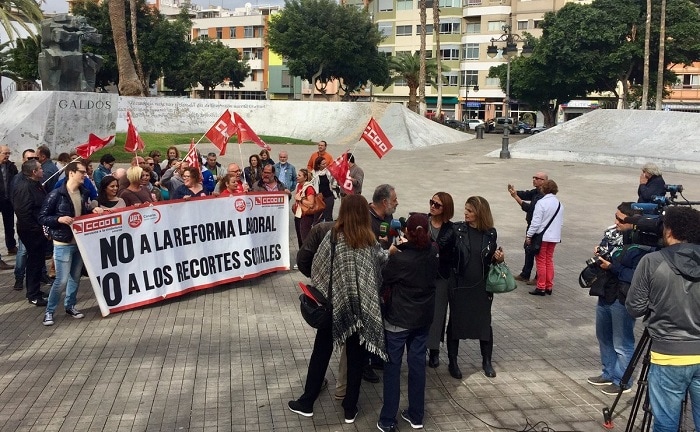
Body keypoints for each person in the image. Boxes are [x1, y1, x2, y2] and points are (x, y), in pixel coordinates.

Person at [287, 194, 389, 424]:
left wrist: (331, 287)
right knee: (355, 357)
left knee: (320, 353)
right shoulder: (370, 241)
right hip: (360, 310)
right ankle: (350, 408)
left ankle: (307, 402)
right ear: (364, 214)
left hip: (334, 307)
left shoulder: (334, 237)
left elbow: (318, 269)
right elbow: (377, 272)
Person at [626, 206, 700, 432]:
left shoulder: (652, 261)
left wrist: (658, 302)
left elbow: (634, 308)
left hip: (668, 355)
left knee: (665, 424)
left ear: (668, 231)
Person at [377, 213, 438, 432]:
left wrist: (395, 251)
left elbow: (385, 275)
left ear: (407, 233)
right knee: (417, 366)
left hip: (398, 319)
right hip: (422, 319)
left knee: (392, 368)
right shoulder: (433, 252)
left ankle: (387, 419)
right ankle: (416, 415)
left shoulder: (400, 258)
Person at [587, 202, 655, 396]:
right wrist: (600, 253)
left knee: (622, 341)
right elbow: (606, 251)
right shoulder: (613, 235)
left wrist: (612, 267)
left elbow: (637, 276)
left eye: (620, 219)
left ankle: (622, 381)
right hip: (605, 291)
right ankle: (608, 373)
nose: (615, 222)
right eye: (615, 217)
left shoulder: (645, 248)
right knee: (604, 336)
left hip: (623, 297)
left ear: (633, 223)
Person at [446, 196, 504, 379]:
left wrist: (498, 258)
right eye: (466, 209)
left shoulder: (490, 233)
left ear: (480, 213)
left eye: (470, 210)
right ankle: (453, 362)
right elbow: (444, 248)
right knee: (456, 323)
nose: (466, 213)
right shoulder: (457, 229)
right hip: (460, 284)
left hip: (481, 285)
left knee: (484, 324)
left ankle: (486, 361)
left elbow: (489, 259)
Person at [39, 161, 96, 325]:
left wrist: (93, 209)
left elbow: (83, 212)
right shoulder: (56, 194)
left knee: (75, 278)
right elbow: (42, 217)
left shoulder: (83, 192)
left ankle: (70, 305)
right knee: (61, 280)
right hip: (62, 243)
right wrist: (58, 219)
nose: (85, 175)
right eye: (82, 172)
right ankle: (49, 311)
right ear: (71, 173)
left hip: (79, 242)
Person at [12, 159, 48, 306]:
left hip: (38, 229)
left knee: (39, 261)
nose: (43, 171)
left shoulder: (37, 184)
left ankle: (36, 290)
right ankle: (32, 294)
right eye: (40, 169)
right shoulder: (24, 188)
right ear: (34, 172)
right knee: (33, 262)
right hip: (31, 232)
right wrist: (36, 228)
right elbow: (23, 212)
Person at [426, 192, 456, 369]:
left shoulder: (451, 229)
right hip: (422, 275)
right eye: (432, 202)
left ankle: (434, 349)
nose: (432, 206)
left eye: (437, 205)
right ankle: (420, 347)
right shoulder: (422, 222)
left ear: (446, 209)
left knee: (438, 314)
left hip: (441, 276)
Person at [507, 171, 548, 285]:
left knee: (537, 252)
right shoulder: (536, 191)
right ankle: (525, 274)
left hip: (538, 228)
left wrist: (515, 197)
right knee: (528, 249)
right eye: (533, 177)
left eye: (537, 178)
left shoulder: (543, 195)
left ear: (544, 181)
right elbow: (526, 194)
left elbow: (529, 208)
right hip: (532, 226)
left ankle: (538, 277)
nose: (534, 179)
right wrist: (515, 192)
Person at [526, 180, 564, 295]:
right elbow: (560, 223)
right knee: (549, 260)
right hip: (554, 237)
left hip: (542, 236)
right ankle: (549, 285)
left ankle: (541, 286)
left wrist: (529, 235)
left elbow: (536, 222)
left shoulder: (541, 203)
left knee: (541, 261)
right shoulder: (559, 204)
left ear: (544, 189)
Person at [0, 145, 18, 264]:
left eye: (8, 153)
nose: (7, 156)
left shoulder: (11, 167)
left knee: (9, 225)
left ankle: (11, 246)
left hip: (8, 200)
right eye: (5, 153)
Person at [292, 169, 316, 248]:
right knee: (300, 238)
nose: (297, 177)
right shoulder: (299, 186)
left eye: (299, 175)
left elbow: (311, 204)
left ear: (305, 178)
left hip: (306, 216)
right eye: (297, 175)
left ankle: (307, 258)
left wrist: (301, 199)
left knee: (305, 239)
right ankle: (301, 256)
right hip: (298, 215)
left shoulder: (309, 188)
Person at [311, 156, 337, 223]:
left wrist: (334, 185)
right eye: (323, 164)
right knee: (317, 217)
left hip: (329, 196)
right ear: (318, 165)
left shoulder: (329, 171)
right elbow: (310, 184)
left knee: (328, 216)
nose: (325, 165)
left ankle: (329, 231)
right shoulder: (313, 173)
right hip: (319, 198)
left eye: (326, 163)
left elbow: (334, 180)